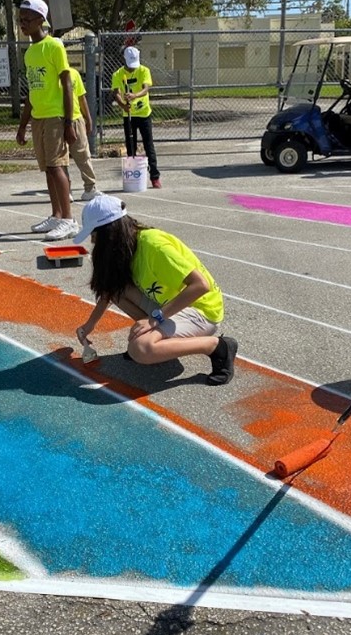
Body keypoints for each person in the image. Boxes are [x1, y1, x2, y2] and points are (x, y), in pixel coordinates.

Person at [74, 195, 237, 385]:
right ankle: (158, 342)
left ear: (110, 231)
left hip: (201, 310)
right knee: (118, 288)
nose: (93, 241)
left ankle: (217, 347)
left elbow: (200, 286)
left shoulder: (154, 246)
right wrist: (89, 326)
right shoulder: (126, 245)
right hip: (170, 305)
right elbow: (109, 290)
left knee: (140, 349)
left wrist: (154, 319)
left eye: (94, 234)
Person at [15, 0, 81, 241]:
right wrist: (23, 125)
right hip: (38, 117)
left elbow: (66, 84)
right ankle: (56, 214)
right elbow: (32, 91)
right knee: (47, 169)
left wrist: (68, 122)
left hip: (55, 116)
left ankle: (68, 220)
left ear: (41, 20)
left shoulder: (54, 46)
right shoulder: (30, 52)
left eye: (27, 19)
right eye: (20, 19)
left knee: (57, 166)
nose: (23, 24)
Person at [111, 46, 161, 188]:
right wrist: (122, 105)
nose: (133, 68)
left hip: (144, 113)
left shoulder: (144, 70)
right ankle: (134, 175)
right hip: (129, 115)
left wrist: (134, 95)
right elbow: (116, 92)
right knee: (130, 145)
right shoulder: (118, 74)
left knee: (148, 145)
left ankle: (155, 176)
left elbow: (146, 89)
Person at [67, 66, 100, 201]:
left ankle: (90, 187)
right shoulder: (51, 74)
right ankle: (65, 190)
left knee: (83, 154)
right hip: (57, 119)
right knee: (61, 159)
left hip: (76, 118)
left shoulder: (74, 73)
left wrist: (88, 118)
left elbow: (81, 97)